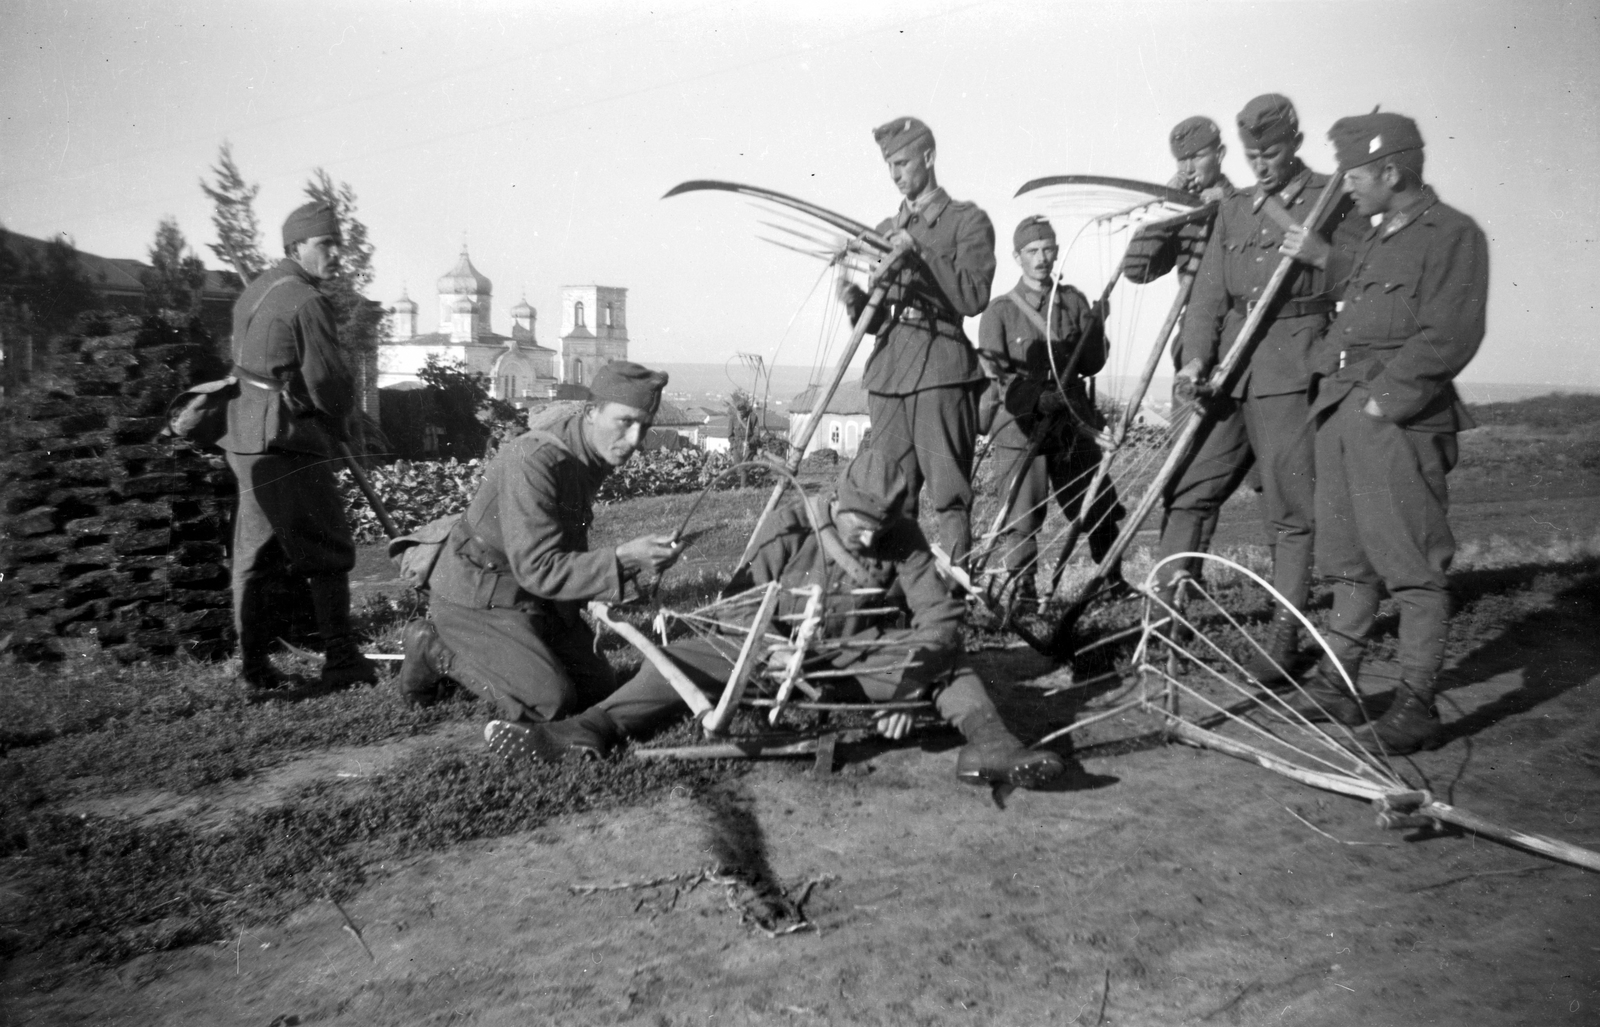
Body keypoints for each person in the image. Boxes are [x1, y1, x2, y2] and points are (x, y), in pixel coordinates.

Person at [485, 452, 1067, 789]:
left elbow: (940, 619)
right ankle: (583, 732)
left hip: (867, 659)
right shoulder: (791, 526)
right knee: (676, 661)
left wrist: (910, 691)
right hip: (774, 655)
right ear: (836, 500)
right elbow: (734, 609)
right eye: (859, 524)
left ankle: (991, 745)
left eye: (880, 527)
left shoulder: (903, 537)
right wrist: (768, 650)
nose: (869, 537)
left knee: (952, 667)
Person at [1278, 112, 1488, 754]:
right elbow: (1357, 308)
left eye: (1356, 177)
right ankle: (1340, 684)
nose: (1347, 190)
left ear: (1392, 172)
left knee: (1411, 563)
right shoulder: (1376, 234)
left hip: (1394, 421)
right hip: (1343, 411)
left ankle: (1417, 701)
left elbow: (1450, 332)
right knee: (1347, 558)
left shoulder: (1451, 234)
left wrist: (1382, 405)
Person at [1154, 94, 1363, 683]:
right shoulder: (1235, 208)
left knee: (1287, 511)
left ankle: (1282, 636)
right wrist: (1195, 361)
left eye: (1270, 152)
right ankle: (1165, 622)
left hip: (1291, 367)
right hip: (1228, 373)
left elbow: (1364, 272)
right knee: (1191, 489)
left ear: (1295, 143)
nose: (1261, 165)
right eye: (1251, 155)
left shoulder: (1332, 196)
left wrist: (1321, 254)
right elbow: (1208, 298)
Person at [394, 362, 684, 735]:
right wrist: (625, 557)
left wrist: (634, 569)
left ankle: (513, 652)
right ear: (591, 412)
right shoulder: (536, 459)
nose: (634, 440)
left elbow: (560, 544)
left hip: (529, 596)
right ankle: (432, 647)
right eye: (625, 422)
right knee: (550, 702)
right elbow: (537, 567)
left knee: (598, 688)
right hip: (477, 595)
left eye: (644, 426)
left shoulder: (588, 449)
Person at [218, 201, 377, 692]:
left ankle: (254, 667)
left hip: (244, 433)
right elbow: (328, 381)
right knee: (328, 547)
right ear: (296, 247)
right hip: (284, 438)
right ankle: (342, 661)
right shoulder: (308, 301)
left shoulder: (257, 289)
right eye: (325, 245)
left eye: (338, 244)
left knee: (254, 554)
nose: (336, 254)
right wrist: (345, 426)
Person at [838, 116, 996, 565]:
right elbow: (873, 318)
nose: (896, 174)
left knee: (949, 493)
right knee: (887, 493)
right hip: (889, 371)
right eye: (890, 165)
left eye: (903, 162)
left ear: (928, 157)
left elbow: (973, 296)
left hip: (940, 368)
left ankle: (957, 593)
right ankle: (894, 594)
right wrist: (853, 298)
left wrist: (919, 252)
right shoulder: (886, 228)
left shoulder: (967, 221)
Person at [976, 215, 1124, 608]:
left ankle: (1113, 578)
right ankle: (1022, 590)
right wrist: (1035, 400)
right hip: (1021, 426)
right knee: (1021, 516)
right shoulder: (1000, 312)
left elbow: (1090, 364)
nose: (1042, 259)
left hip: (1071, 422)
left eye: (1047, 250)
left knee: (1096, 501)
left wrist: (1095, 327)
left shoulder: (1072, 300)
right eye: (1032, 252)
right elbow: (998, 377)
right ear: (1017, 257)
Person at [1121, 114, 1239, 286]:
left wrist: (1226, 200)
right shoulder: (1179, 217)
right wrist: (1165, 205)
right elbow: (1135, 270)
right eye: (1182, 160)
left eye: (1198, 157)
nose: (1188, 169)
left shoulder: (1245, 204)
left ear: (1220, 154)